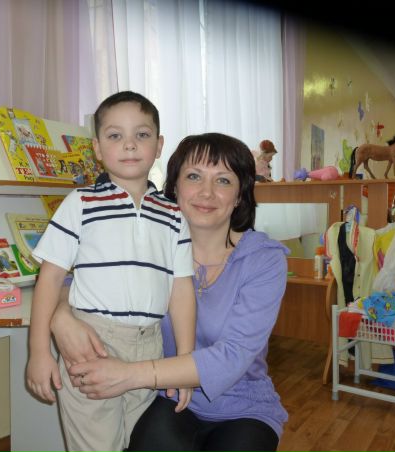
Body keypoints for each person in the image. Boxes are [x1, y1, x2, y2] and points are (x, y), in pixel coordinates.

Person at [53, 132, 289, 452]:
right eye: (194, 176)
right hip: (167, 396)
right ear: (174, 186)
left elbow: (231, 357)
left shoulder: (264, 259)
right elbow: (75, 282)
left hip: (243, 408)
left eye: (223, 180)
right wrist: (61, 317)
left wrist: (128, 375)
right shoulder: (148, 244)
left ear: (239, 196)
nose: (206, 192)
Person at [27, 91, 196, 452]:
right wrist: (39, 351)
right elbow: (50, 279)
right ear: (97, 149)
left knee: (141, 443)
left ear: (159, 145)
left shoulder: (173, 215)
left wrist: (185, 362)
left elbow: (182, 291)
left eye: (142, 134)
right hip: (91, 343)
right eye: (115, 135)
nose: (130, 144)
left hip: (150, 346)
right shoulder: (80, 203)